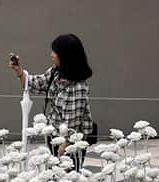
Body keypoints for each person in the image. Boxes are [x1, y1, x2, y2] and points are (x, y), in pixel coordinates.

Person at [8, 34, 95, 171]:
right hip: (54, 135)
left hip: (71, 142)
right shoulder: (56, 72)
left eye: (55, 52)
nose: (51, 55)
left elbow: (72, 123)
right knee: (55, 177)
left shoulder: (77, 86)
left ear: (66, 56)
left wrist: (64, 145)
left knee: (67, 180)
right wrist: (19, 71)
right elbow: (37, 83)